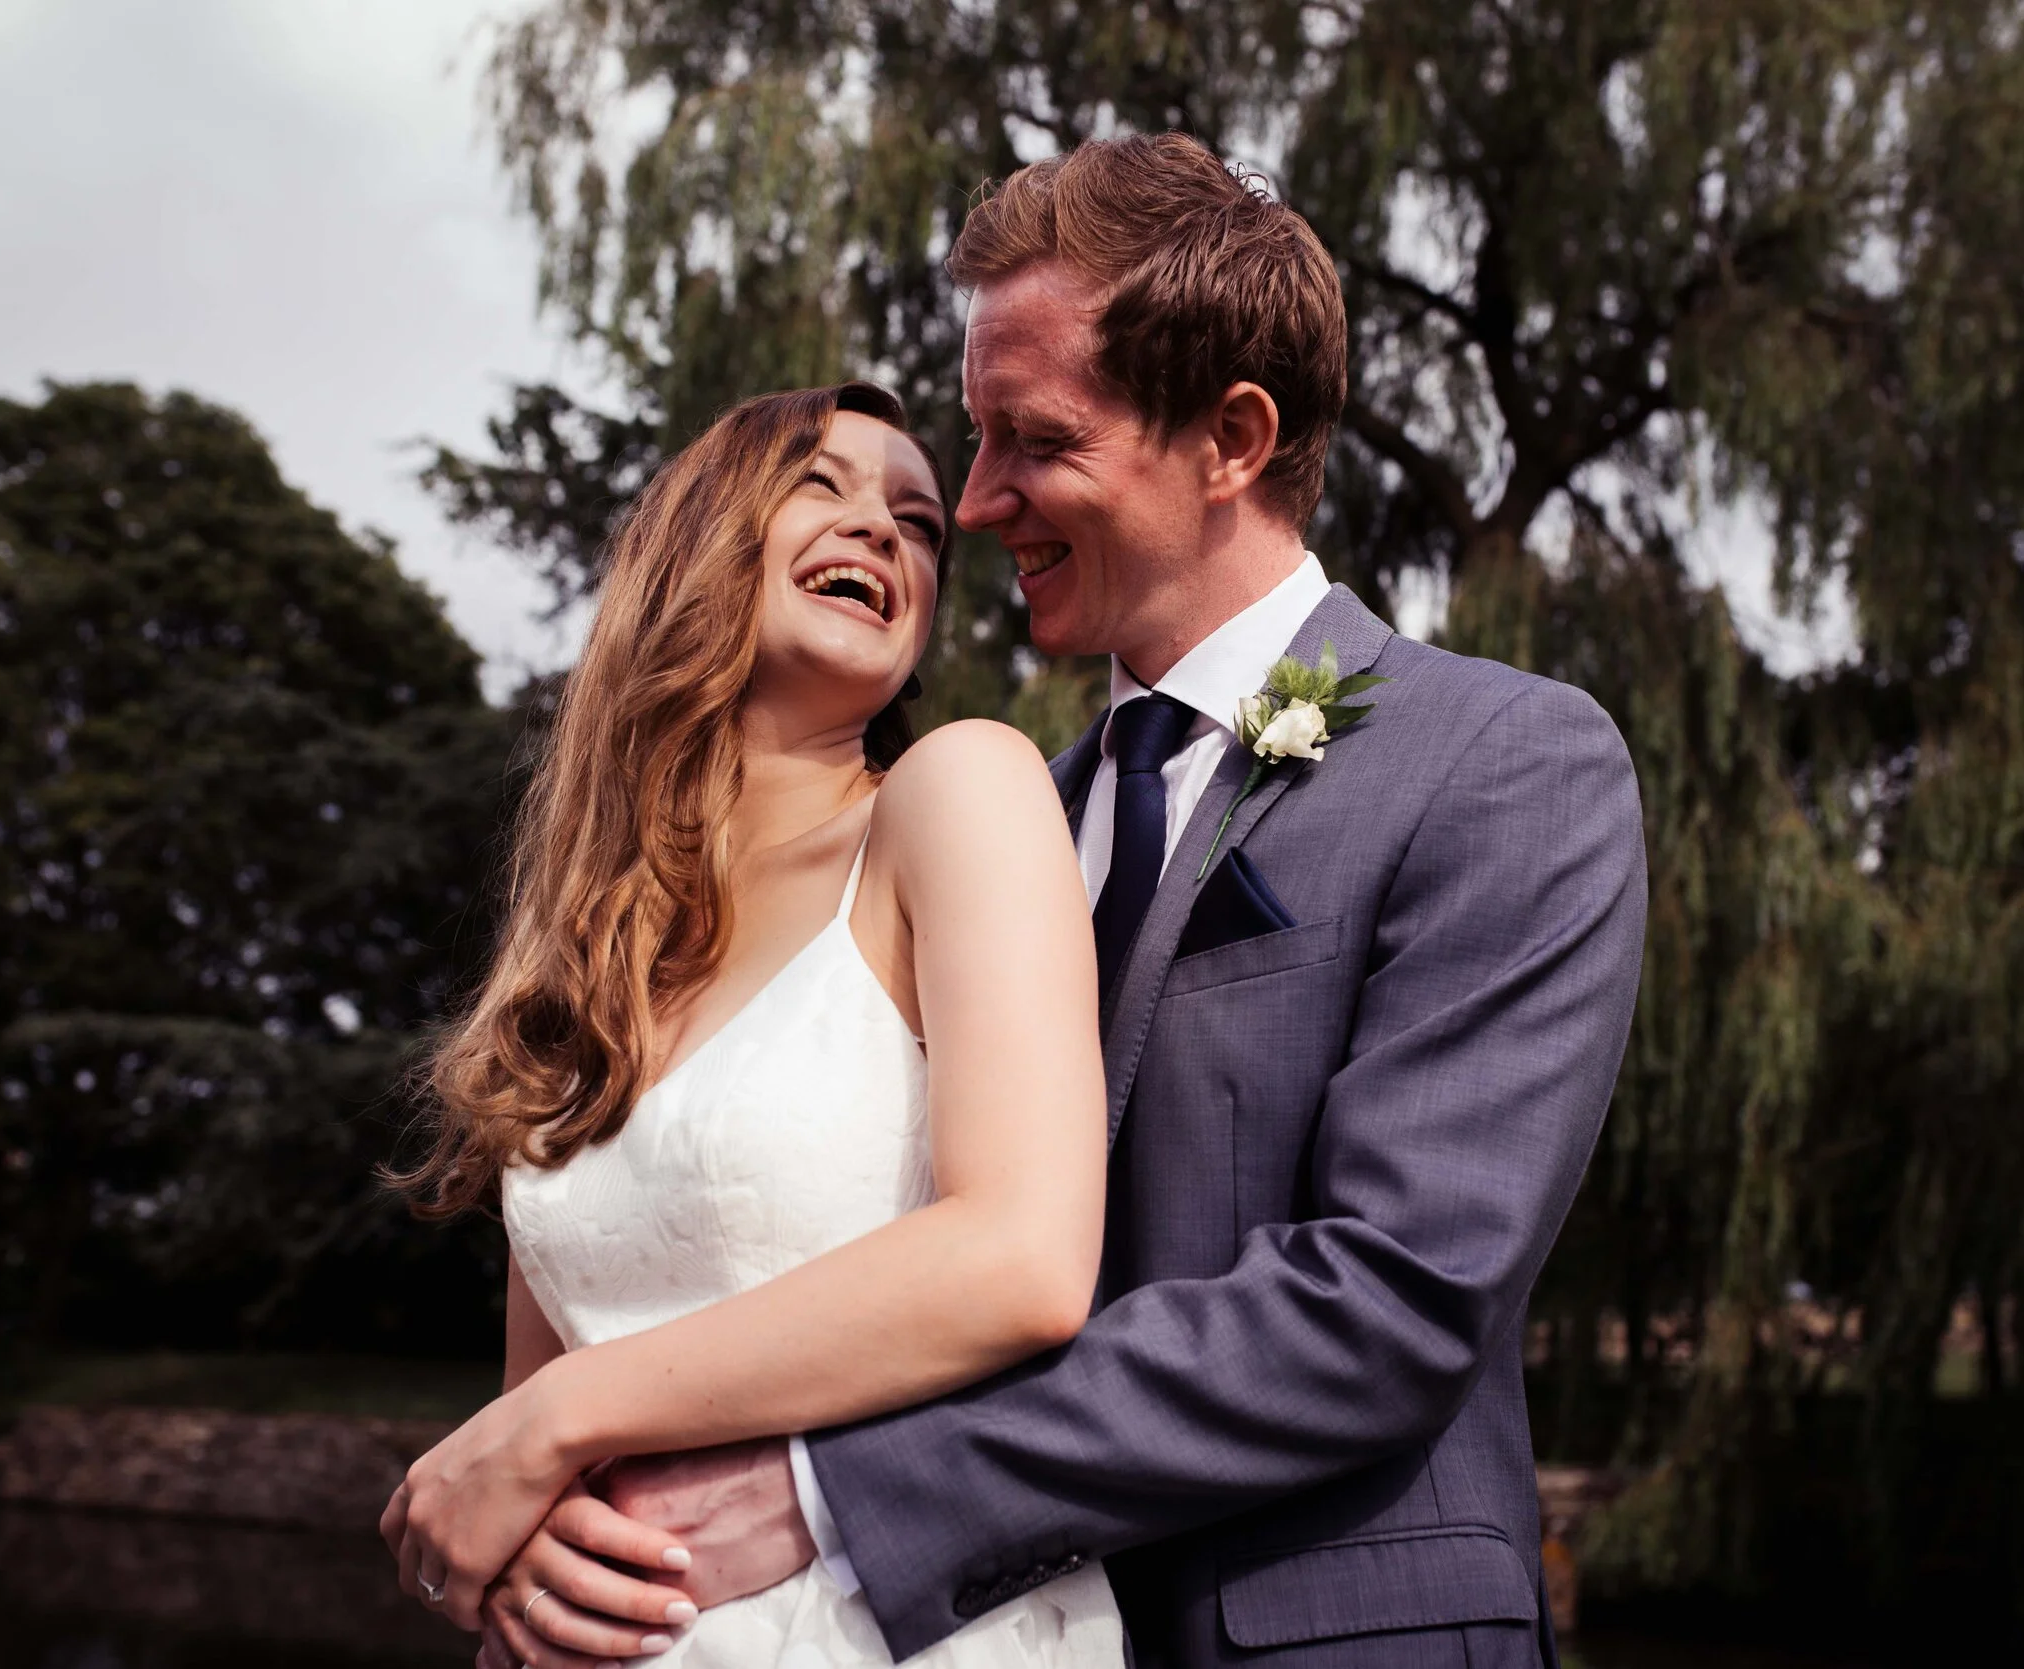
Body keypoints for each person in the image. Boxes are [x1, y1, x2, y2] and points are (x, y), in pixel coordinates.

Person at [495, 134, 1649, 1669]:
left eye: (1030, 439)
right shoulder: (989, 826)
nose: (974, 507)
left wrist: (839, 1500)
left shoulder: (1502, 761)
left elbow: (1391, 1300)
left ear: (1231, 437)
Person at [381, 381, 1128, 1668]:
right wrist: (526, 1552)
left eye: (914, 523)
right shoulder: (584, 957)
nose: (884, 533)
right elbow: (537, 1394)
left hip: (883, 1627)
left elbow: (1023, 1257)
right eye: (821, 486)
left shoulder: (956, 793)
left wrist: (553, 1423)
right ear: (697, 543)